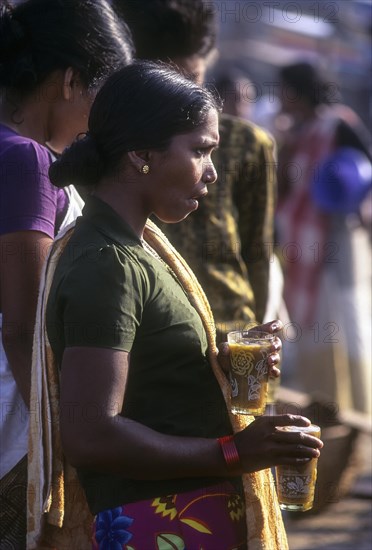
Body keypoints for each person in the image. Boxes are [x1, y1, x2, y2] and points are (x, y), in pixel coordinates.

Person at [35, 61, 323, 550]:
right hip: (160, 525)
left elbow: (146, 383)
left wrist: (219, 367)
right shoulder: (109, 262)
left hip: (183, 517)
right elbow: (91, 435)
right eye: (200, 151)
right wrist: (232, 453)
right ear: (141, 153)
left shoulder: (137, 248)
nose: (212, 172)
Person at [0, 0, 133, 546]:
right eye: (106, 97)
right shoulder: (26, 161)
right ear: (72, 80)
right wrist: (59, 442)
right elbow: (23, 324)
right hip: (13, 421)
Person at [112, 0, 279, 339]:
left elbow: (259, 254)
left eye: (192, 83)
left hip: (233, 338)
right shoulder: (116, 144)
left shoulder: (247, 144)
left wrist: (253, 342)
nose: (181, 106)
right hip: (152, 346)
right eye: (165, 87)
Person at [275, 61, 372, 413]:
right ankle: (327, 408)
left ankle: (357, 414)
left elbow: (363, 173)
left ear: (298, 91)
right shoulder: (297, 133)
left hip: (337, 247)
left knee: (346, 320)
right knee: (315, 324)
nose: (279, 96)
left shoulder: (338, 124)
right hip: (303, 249)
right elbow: (285, 188)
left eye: (283, 88)